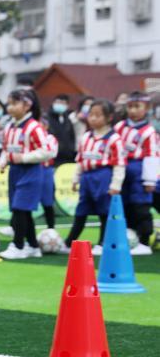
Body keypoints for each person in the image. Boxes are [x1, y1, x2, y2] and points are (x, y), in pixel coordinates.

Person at [59, 99, 126, 254]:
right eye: (91, 115)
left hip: (103, 176)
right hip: (87, 177)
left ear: (109, 118)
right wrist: (76, 178)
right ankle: (69, 243)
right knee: (81, 210)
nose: (93, 118)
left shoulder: (114, 139)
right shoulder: (86, 137)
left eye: (98, 115)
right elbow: (80, 160)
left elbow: (119, 164)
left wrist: (115, 185)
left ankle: (103, 243)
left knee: (104, 211)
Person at [0, 89, 50, 260]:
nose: (10, 107)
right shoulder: (9, 126)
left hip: (31, 171)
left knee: (20, 209)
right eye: (9, 103)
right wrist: (3, 161)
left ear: (27, 105)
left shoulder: (34, 127)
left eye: (14, 103)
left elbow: (46, 151)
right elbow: (6, 149)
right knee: (23, 210)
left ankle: (18, 245)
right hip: (15, 171)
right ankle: (33, 246)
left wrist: (24, 157)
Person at [115, 92, 158, 255]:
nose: (133, 110)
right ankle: (129, 237)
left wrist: (149, 180)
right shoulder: (119, 127)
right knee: (126, 207)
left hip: (139, 171)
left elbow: (152, 156)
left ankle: (145, 242)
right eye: (130, 106)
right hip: (122, 170)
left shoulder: (148, 132)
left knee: (141, 207)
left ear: (146, 108)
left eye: (137, 106)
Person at [45, 94, 77, 164]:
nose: (60, 105)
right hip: (53, 157)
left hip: (67, 157)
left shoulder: (67, 119)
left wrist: (71, 151)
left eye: (63, 103)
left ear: (67, 106)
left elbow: (72, 137)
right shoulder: (46, 118)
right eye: (58, 102)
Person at [40, 132, 59, 231]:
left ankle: (51, 229)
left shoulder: (50, 138)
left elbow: (51, 153)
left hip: (45, 170)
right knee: (23, 204)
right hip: (29, 170)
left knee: (47, 202)